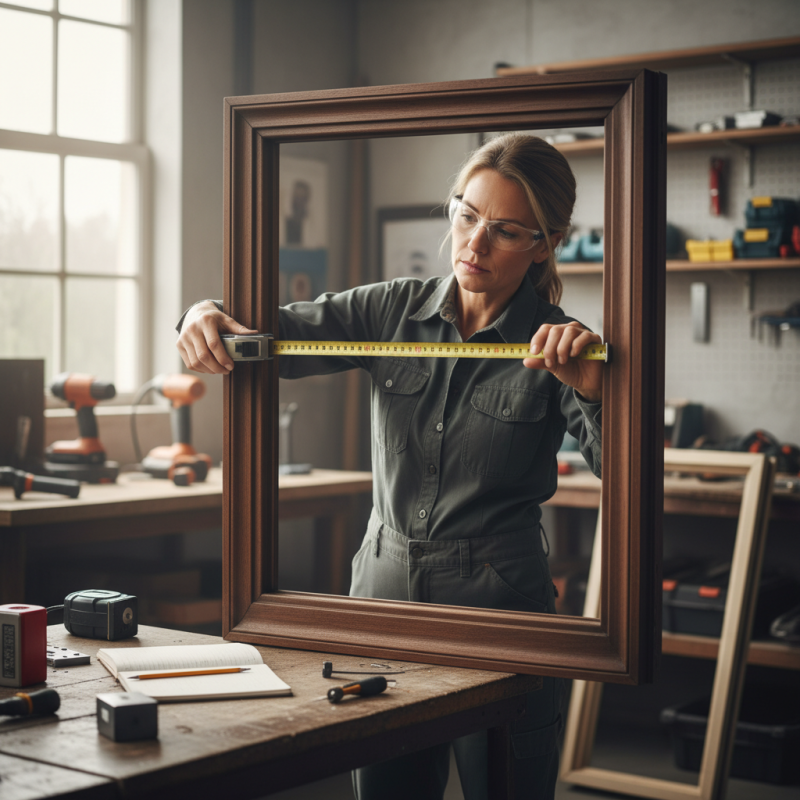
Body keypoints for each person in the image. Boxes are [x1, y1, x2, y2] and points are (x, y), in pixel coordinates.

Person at [176, 133, 603, 800]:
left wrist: (594, 388)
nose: (474, 244)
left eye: (505, 231)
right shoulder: (390, 310)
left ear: (544, 244)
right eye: (466, 216)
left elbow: (625, 475)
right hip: (381, 596)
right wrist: (201, 314)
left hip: (499, 606)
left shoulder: (563, 345)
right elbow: (262, 338)